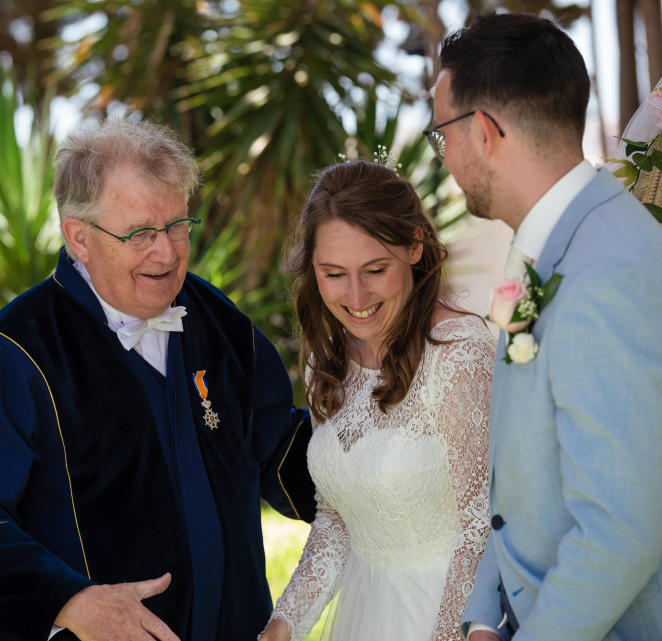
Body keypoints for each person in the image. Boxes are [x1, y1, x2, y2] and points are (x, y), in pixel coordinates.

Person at [0, 118, 316, 641]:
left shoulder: (218, 320)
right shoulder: (12, 354)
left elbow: (277, 444)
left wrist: (377, 473)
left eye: (176, 225)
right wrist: (69, 601)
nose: (168, 253)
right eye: (141, 233)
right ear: (79, 237)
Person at [428, 12, 662, 641]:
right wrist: (482, 617)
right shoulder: (535, 253)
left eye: (441, 133)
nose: (442, 154)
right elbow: (512, 465)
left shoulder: (604, 271)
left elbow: (624, 529)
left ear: (482, 133)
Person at [257, 160, 495, 641]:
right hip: (366, 617)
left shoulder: (458, 352)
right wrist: (281, 627)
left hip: (448, 613)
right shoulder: (326, 362)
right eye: (334, 274)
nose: (356, 296)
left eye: (375, 269)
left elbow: (480, 526)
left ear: (414, 246)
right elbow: (338, 520)